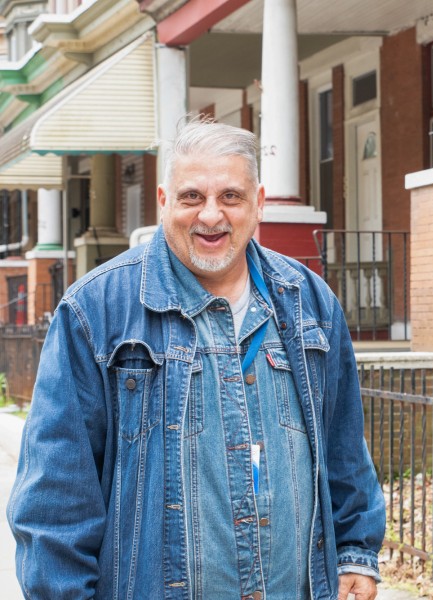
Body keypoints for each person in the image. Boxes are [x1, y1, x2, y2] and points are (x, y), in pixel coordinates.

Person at [7, 119, 385, 600]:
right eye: (191, 197)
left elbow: (343, 446)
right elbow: (55, 502)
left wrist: (356, 550)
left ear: (259, 203)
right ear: (163, 202)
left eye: (230, 196)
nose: (211, 216)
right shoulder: (97, 312)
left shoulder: (309, 302)